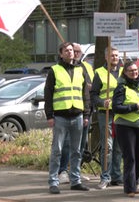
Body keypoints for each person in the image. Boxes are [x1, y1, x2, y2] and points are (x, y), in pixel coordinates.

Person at [45, 42, 90, 194]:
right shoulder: (54, 70)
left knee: (76, 151)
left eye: (71, 50)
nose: (70, 53)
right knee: (57, 150)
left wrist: (86, 114)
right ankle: (53, 182)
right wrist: (49, 115)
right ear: (61, 53)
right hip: (60, 117)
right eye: (66, 50)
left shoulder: (80, 69)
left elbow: (85, 95)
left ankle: (75, 181)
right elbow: (48, 94)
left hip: (77, 115)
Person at [112, 60, 139, 197]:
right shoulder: (121, 87)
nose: (134, 73)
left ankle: (135, 184)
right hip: (125, 125)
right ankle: (129, 188)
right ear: (125, 73)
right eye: (131, 71)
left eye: (135, 70)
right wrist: (135, 107)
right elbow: (116, 107)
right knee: (130, 157)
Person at [58, 43, 93, 184]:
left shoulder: (86, 67)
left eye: (79, 51)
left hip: (85, 110)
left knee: (81, 144)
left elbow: (90, 86)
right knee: (66, 144)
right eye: (74, 51)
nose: (76, 53)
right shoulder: (61, 69)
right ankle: (62, 171)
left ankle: (75, 171)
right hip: (67, 112)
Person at [91, 46, 124, 189]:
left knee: (119, 147)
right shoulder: (99, 73)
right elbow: (93, 94)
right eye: (112, 56)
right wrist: (101, 102)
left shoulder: (124, 72)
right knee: (108, 146)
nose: (115, 58)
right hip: (106, 113)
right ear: (106, 57)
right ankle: (105, 176)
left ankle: (116, 175)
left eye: (116, 56)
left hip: (121, 113)